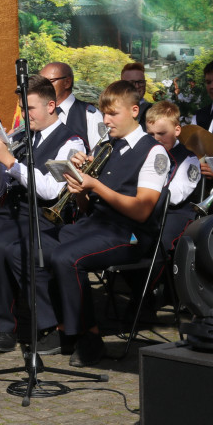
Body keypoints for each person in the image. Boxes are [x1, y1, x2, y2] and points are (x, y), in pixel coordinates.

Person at [45, 80, 168, 367]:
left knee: (67, 257)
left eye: (113, 114)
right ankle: (60, 326)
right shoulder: (106, 147)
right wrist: (80, 190)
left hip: (132, 235)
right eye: (104, 113)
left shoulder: (154, 152)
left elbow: (141, 211)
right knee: (38, 244)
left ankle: (89, 336)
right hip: (97, 225)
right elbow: (90, 207)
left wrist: (95, 185)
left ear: (134, 111)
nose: (106, 120)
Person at [0, 76, 85, 354]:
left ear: (51, 106)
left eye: (30, 109)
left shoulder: (72, 142)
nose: (24, 115)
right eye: (21, 108)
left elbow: (52, 191)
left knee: (5, 247)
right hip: (15, 211)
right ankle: (6, 324)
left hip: (46, 216)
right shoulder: (20, 137)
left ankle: (32, 324)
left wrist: (12, 162)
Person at [143, 100, 201, 286]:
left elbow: (176, 195)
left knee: (161, 246)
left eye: (162, 133)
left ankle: (146, 296)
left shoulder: (189, 159)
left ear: (177, 130)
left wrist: (146, 187)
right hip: (147, 210)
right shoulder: (145, 152)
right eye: (150, 134)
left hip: (174, 213)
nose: (155, 139)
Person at [39, 62, 102, 150]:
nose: (42, 87)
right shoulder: (38, 114)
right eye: (41, 82)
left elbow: (99, 154)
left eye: (49, 82)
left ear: (67, 82)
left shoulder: (90, 115)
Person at [121, 63, 151, 130]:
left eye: (140, 82)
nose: (137, 86)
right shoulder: (112, 111)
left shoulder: (154, 111)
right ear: (121, 85)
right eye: (131, 83)